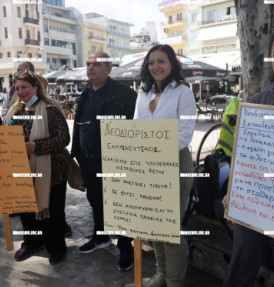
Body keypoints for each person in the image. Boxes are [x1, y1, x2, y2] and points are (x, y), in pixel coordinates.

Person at [222, 26, 274, 287]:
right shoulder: (257, 101)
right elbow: (246, 158)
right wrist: (234, 191)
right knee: (240, 266)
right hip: (257, 203)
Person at [134, 44, 196, 287]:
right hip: (147, 165)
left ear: (172, 64)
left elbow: (185, 134)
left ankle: (175, 281)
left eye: (161, 61)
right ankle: (162, 272)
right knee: (153, 223)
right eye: (151, 62)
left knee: (170, 228)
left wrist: (153, 150)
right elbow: (136, 127)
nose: (155, 66)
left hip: (175, 163)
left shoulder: (183, 92)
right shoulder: (143, 92)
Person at [71, 52, 136, 271]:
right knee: (95, 199)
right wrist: (77, 152)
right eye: (88, 63)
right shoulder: (86, 91)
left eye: (96, 64)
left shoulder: (125, 93)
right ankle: (101, 237)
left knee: (120, 203)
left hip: (114, 159)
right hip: (88, 158)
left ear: (109, 68)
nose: (90, 67)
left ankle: (126, 246)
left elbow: (134, 127)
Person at [3, 69, 70, 265]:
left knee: (52, 213)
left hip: (50, 172)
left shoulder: (50, 109)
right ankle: (32, 242)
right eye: (18, 87)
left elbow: (63, 138)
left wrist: (35, 147)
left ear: (35, 87)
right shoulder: (15, 110)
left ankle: (56, 247)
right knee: (26, 210)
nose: (21, 91)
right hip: (21, 170)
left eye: (25, 87)